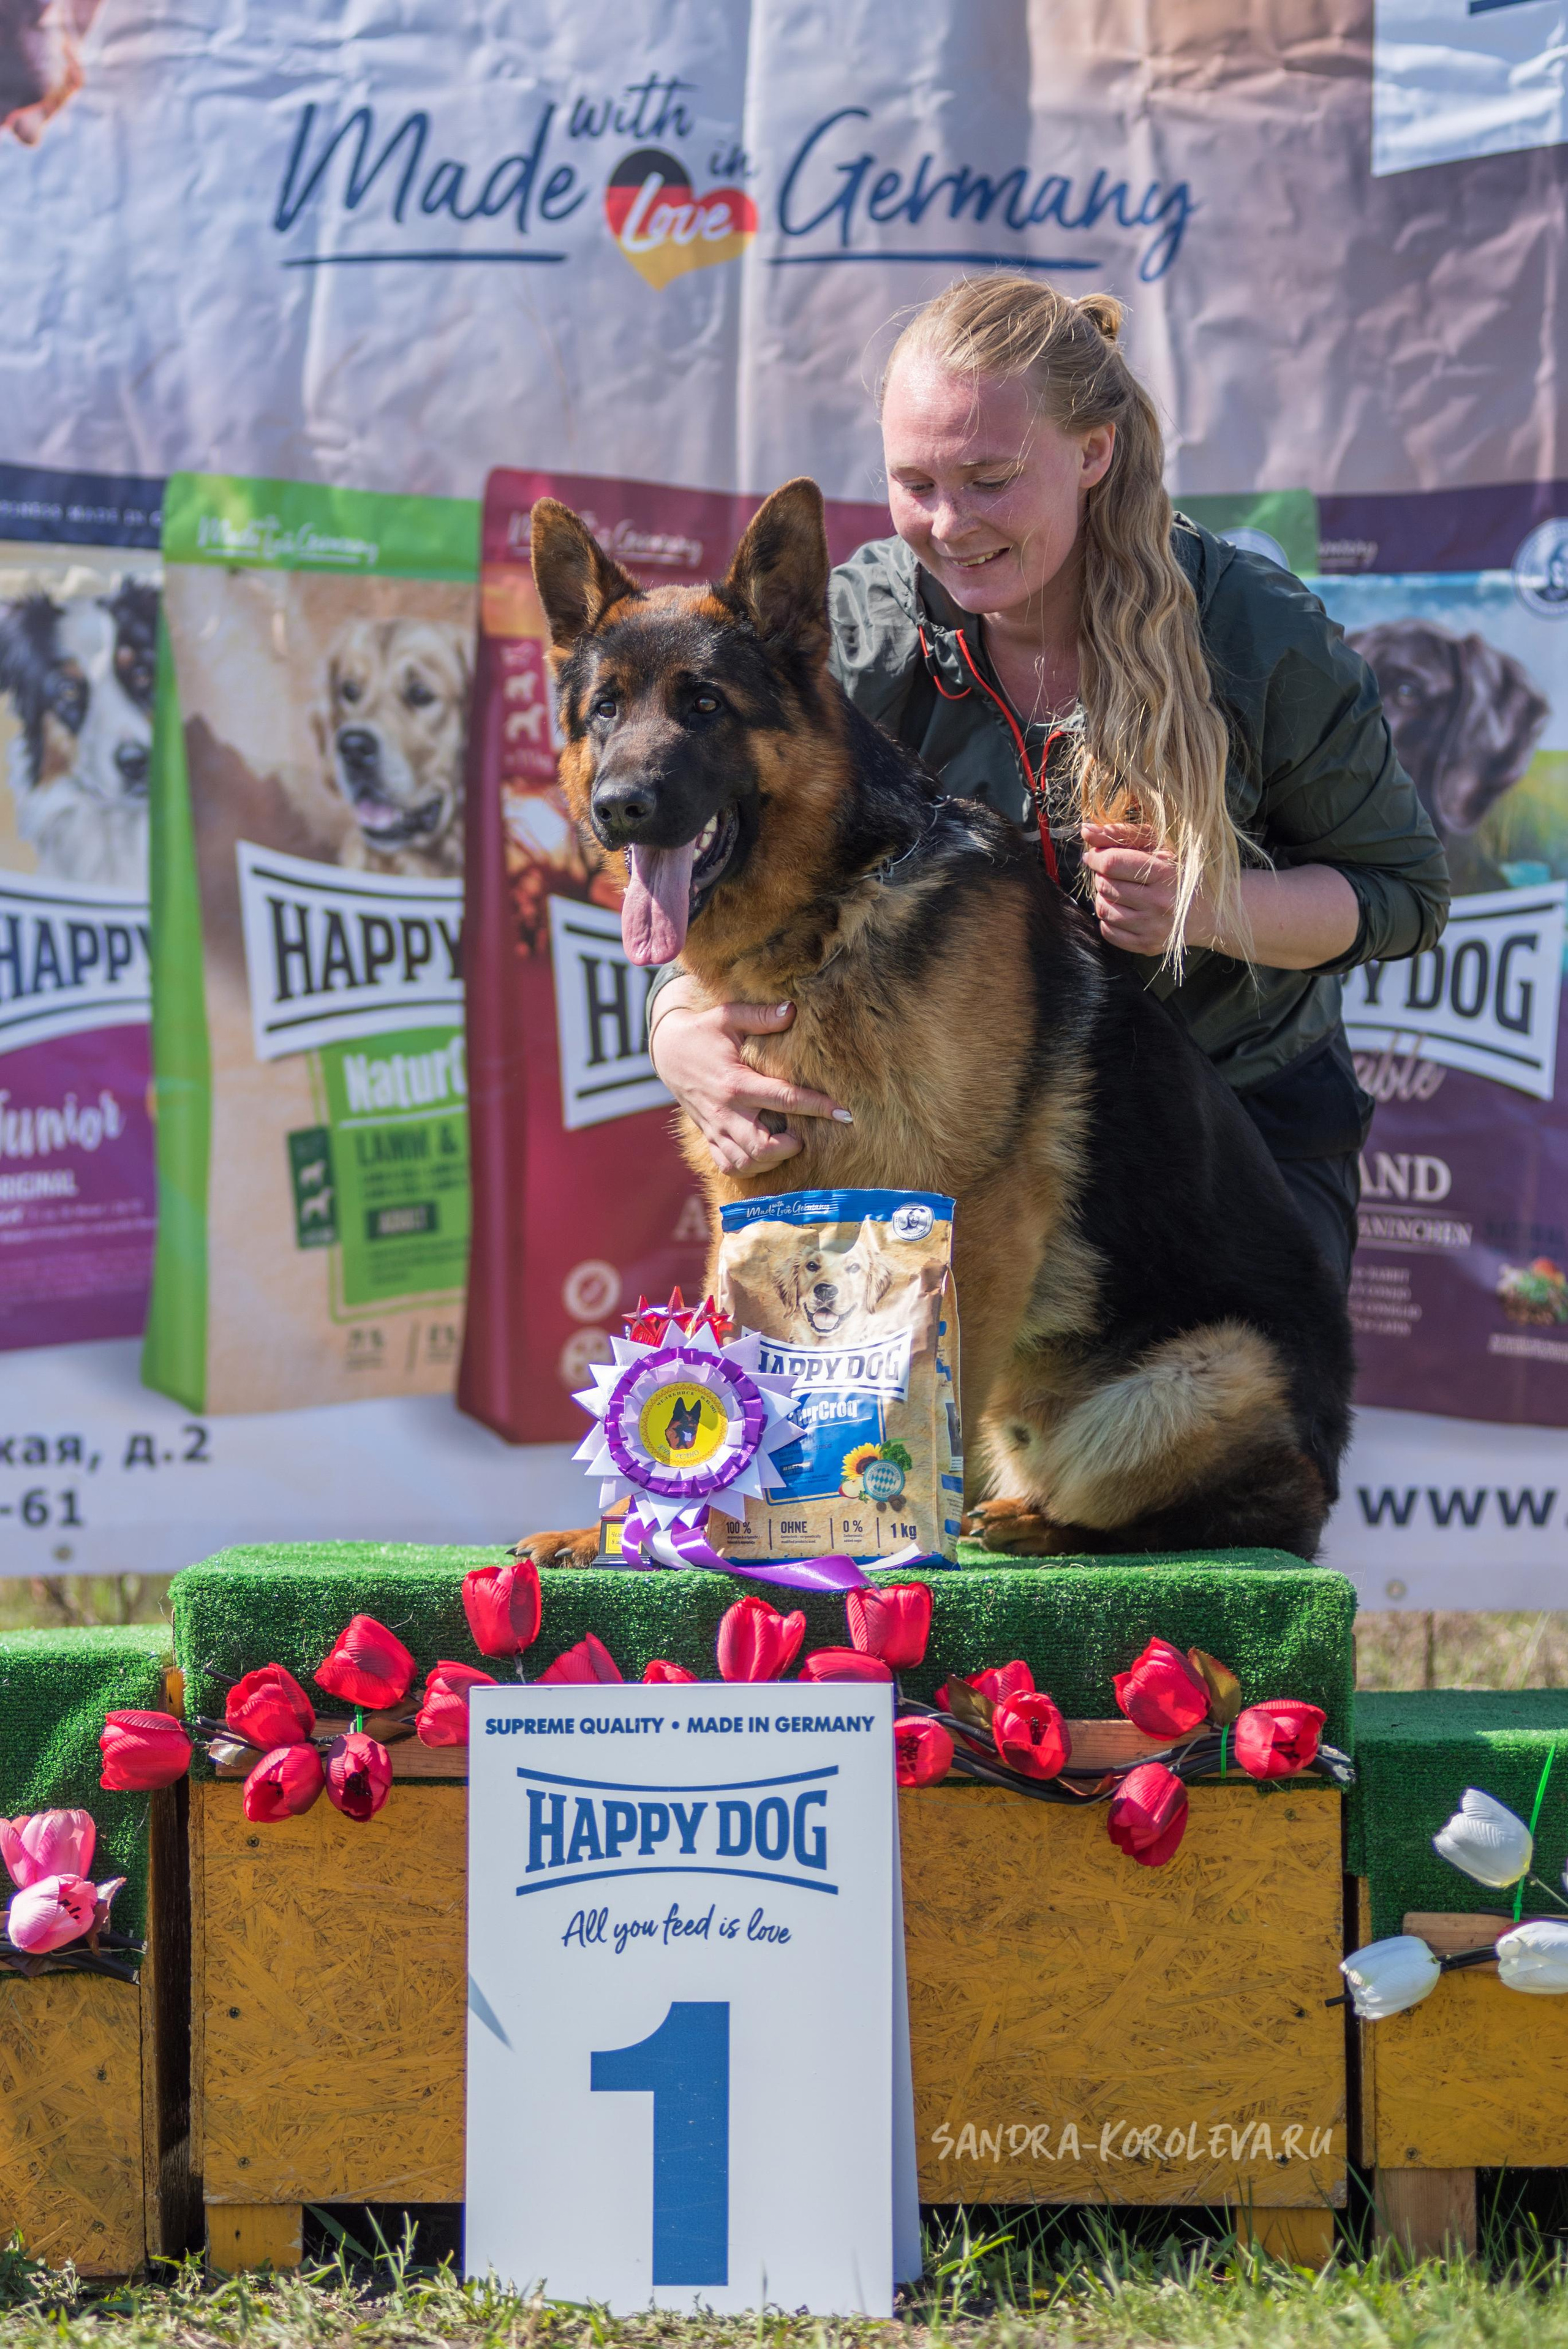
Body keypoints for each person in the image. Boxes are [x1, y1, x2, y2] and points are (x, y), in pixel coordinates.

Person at [646, 276, 1450, 1287]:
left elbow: (1403, 897)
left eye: (989, 478)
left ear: (1094, 453)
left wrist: (1212, 907)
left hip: (1227, 1138)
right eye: (916, 483)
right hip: (948, 1141)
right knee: (893, 1454)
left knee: (1212, 1445)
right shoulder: (854, 632)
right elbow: (716, 847)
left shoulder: (1255, 634)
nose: (947, 524)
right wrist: (677, 1029)